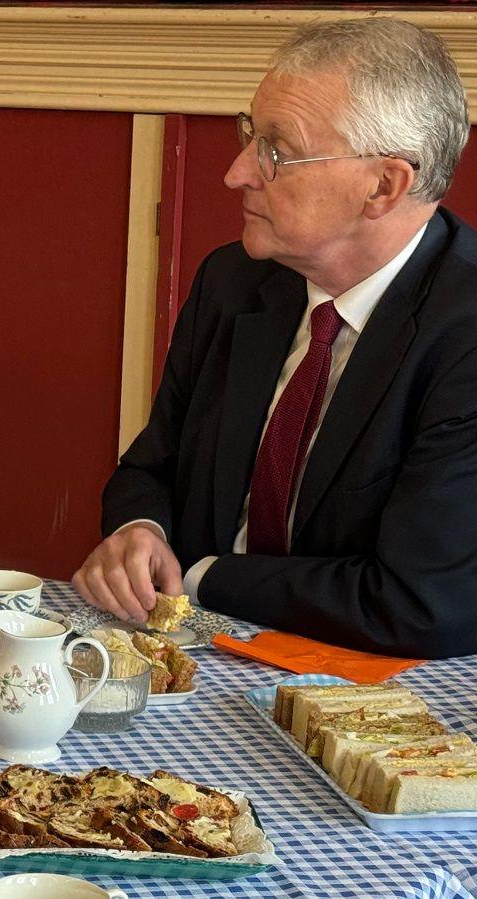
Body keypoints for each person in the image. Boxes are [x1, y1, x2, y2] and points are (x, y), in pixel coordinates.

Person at [74, 18, 477, 659]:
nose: (238, 172)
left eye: (277, 152)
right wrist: (138, 529)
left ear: (384, 186)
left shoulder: (464, 337)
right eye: (249, 136)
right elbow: (153, 465)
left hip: (372, 690)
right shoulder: (235, 281)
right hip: (188, 659)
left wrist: (202, 576)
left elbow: (418, 604)